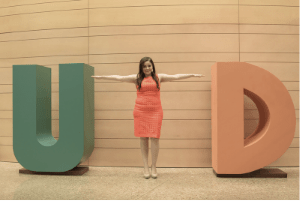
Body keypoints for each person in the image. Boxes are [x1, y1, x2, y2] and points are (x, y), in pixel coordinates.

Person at [91, 56, 205, 179]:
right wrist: (102, 77)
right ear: (141, 67)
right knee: (143, 139)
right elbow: (120, 78)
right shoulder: (137, 78)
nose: (147, 68)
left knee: (155, 138)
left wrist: (192, 75)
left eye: (149, 66)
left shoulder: (158, 77)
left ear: (152, 66)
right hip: (140, 111)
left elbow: (175, 76)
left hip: (156, 111)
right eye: (144, 66)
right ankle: (145, 166)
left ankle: (154, 166)